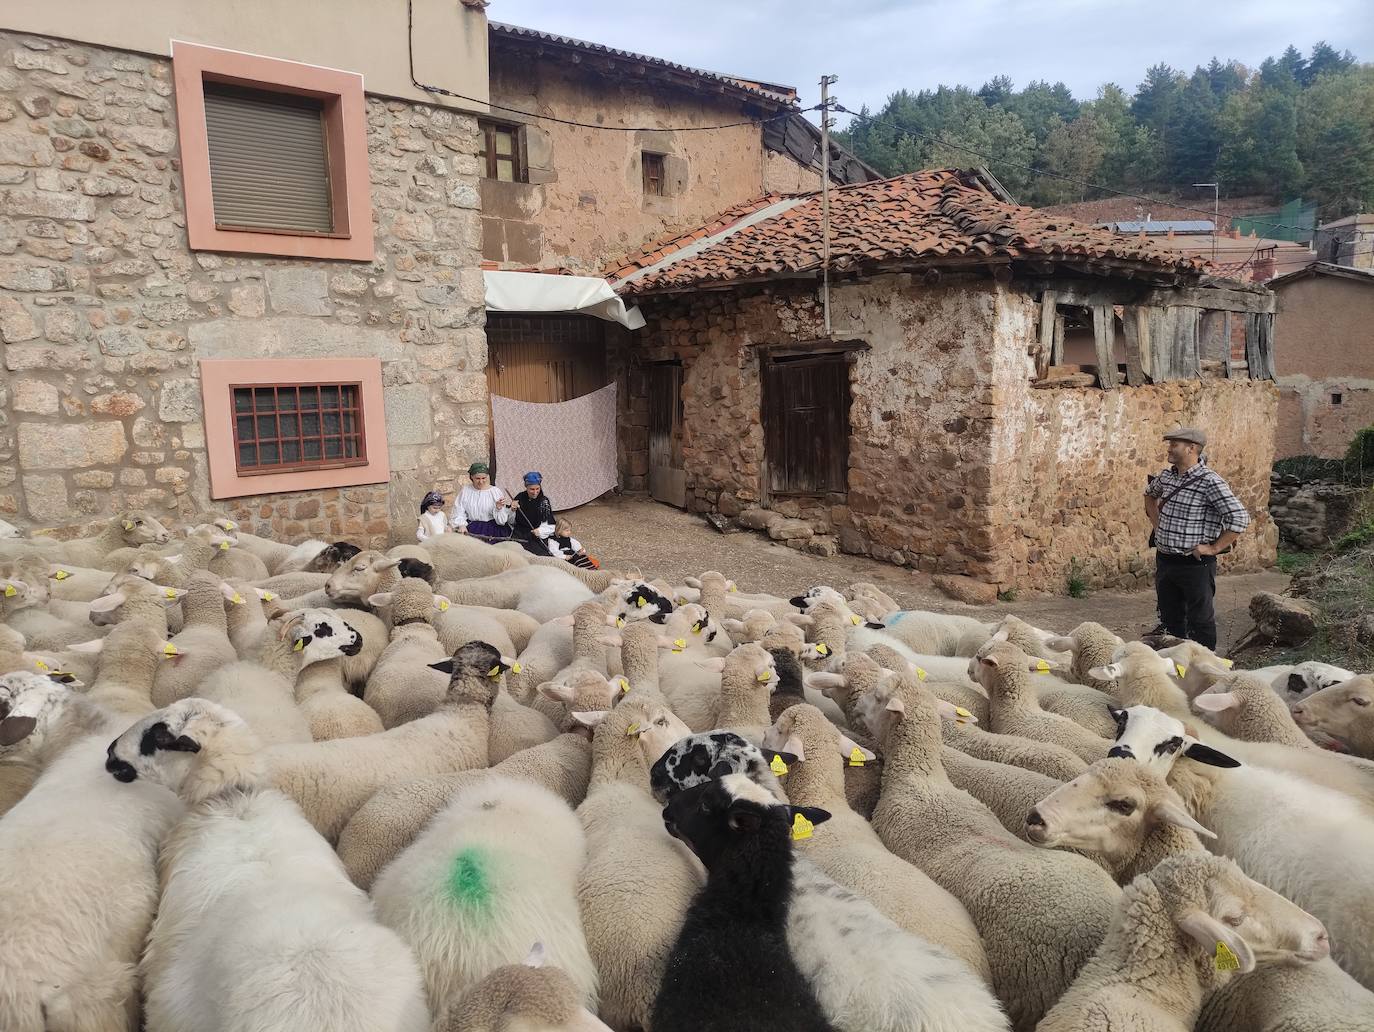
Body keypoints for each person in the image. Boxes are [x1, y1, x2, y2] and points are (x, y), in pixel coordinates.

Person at [1143, 427, 1251, 650]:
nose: (1169, 449)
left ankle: (1204, 664)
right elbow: (1149, 494)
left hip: (1195, 564)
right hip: (1165, 560)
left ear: (1191, 448)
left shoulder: (1210, 481)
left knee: (1200, 621)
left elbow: (1240, 518)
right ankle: (1174, 663)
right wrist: (1157, 524)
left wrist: (1214, 548)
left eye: (1174, 444)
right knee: (1170, 619)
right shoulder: (1167, 476)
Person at [450, 462, 513, 542]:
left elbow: (502, 521)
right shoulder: (466, 491)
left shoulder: (495, 492)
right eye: (477, 478)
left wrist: (498, 509)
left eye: (484, 478)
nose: (481, 481)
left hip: (493, 529)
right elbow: (458, 510)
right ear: (471, 477)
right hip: (472, 527)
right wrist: (461, 525)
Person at [509, 472, 557, 557]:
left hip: (536, 535)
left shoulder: (544, 502)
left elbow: (551, 525)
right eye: (532, 489)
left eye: (537, 489)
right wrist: (512, 510)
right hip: (519, 534)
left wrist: (540, 531)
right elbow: (511, 521)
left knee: (539, 557)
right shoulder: (520, 497)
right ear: (526, 487)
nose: (535, 492)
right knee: (514, 555)